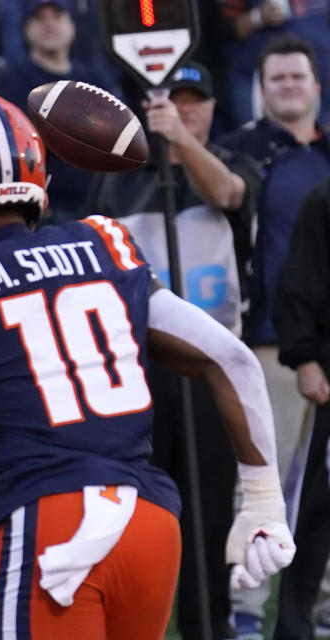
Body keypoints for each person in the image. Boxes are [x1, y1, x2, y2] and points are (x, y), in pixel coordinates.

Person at [0, 92, 294, 638]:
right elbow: (231, 358)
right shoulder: (103, 243)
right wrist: (263, 500)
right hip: (151, 523)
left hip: (51, 527)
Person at [90, 62, 261, 640]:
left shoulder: (234, 163)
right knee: (140, 514)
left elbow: (229, 195)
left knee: (210, 509)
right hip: (137, 369)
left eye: (194, 101)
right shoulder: (120, 177)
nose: (183, 109)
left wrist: (180, 139)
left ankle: (209, 625)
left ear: (213, 109)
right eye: (172, 101)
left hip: (210, 368)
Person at [215, 35, 330, 637]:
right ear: (262, 89)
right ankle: (245, 610)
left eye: (296, 77)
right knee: (260, 483)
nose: (287, 86)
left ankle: (322, 609)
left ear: (317, 85)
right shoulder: (239, 152)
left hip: (328, 345)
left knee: (327, 496)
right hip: (264, 342)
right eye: (276, 78)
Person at [0, 0, 120, 224]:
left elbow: (117, 133)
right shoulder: (12, 81)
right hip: (47, 211)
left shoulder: (95, 78)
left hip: (101, 207)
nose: (49, 24)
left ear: (72, 25)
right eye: (39, 18)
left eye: (57, 16)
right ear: (26, 28)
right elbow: (26, 140)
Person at [271, 177, 330, 639]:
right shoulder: (324, 198)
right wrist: (305, 355)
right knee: (314, 507)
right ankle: (294, 624)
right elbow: (300, 278)